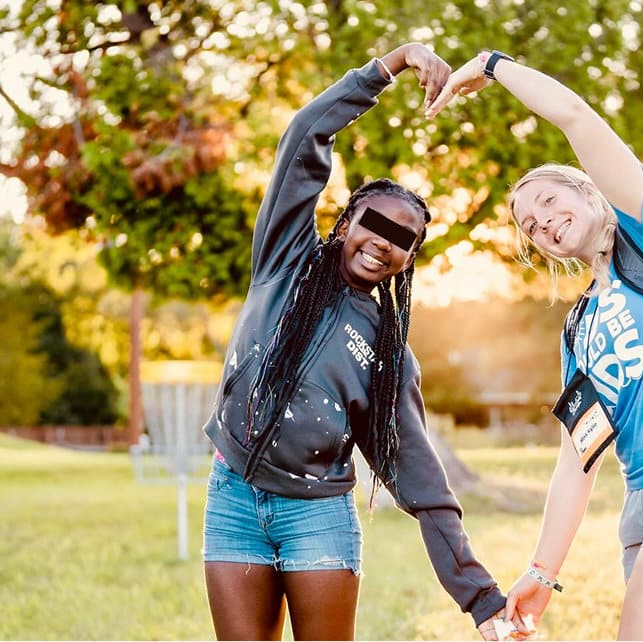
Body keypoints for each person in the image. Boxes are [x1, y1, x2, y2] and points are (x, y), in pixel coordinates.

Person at [426, 51, 643, 640]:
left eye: (547, 201)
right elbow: (576, 460)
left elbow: (576, 117)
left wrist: (491, 66)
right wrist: (542, 569)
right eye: (529, 226)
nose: (541, 223)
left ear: (589, 194)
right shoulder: (578, 329)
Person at [201, 43, 512, 641]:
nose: (384, 242)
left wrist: (480, 597)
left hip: (316, 515)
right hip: (233, 498)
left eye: (404, 239)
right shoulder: (283, 259)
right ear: (346, 223)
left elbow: (422, 478)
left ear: (409, 259)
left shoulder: (388, 355)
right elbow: (304, 135)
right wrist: (389, 66)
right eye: (376, 223)